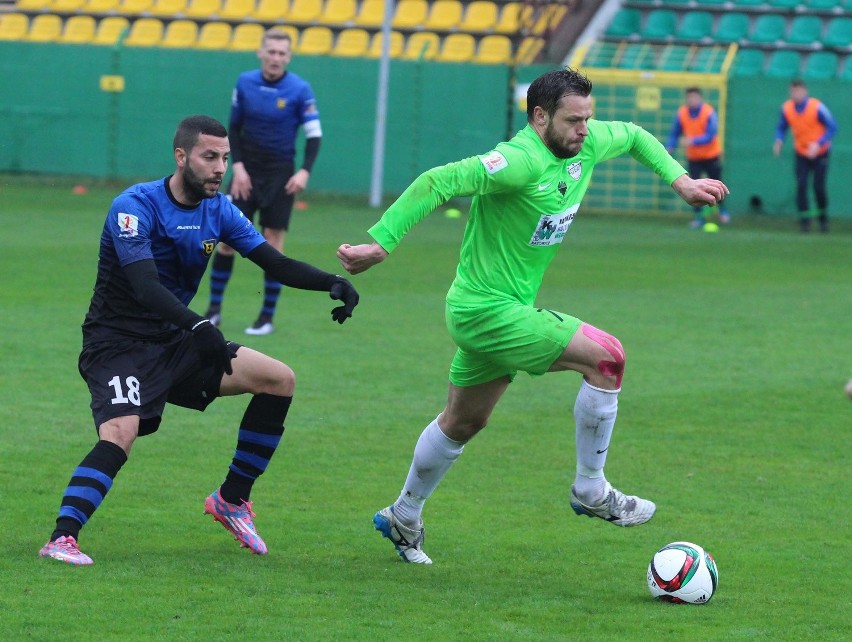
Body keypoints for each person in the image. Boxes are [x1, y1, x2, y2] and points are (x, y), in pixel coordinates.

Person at [338, 69, 728, 564]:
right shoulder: (518, 160)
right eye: (573, 119)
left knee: (463, 422)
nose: (584, 128)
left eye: (588, 117)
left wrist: (681, 181)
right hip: (484, 310)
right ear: (540, 117)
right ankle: (591, 489)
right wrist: (381, 244)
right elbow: (438, 181)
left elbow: (633, 135)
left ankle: (403, 515)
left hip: (500, 311)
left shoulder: (584, 143)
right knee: (607, 359)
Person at [38, 115, 358, 566]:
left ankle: (231, 499)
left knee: (278, 379)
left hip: (175, 341)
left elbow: (275, 261)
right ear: (181, 156)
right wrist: (199, 326)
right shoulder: (134, 206)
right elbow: (147, 286)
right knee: (121, 432)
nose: (219, 168)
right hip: (118, 344)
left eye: (225, 158)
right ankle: (62, 537)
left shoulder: (220, 210)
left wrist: (332, 283)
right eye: (210, 157)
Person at [205, 28, 323, 335]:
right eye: (271, 51)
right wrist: (238, 166)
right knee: (227, 242)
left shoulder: (300, 89)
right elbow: (234, 127)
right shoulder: (245, 83)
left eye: (282, 53)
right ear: (261, 53)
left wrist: (304, 171)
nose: (276, 58)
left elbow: (314, 135)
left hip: (281, 176)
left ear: (289, 57)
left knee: (274, 246)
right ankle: (214, 311)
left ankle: (266, 318)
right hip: (246, 173)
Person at [773, 79, 837, 233]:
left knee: (818, 188)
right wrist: (779, 140)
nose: (796, 94)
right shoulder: (787, 108)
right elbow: (781, 127)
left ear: (805, 91)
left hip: (820, 153)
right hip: (801, 153)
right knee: (801, 186)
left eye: (799, 91)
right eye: (793, 91)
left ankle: (823, 220)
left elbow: (833, 126)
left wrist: (819, 143)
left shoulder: (816, 107)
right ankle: (805, 222)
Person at [666, 87, 730, 228]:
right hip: (694, 158)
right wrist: (669, 147)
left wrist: (693, 141)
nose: (692, 100)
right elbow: (674, 133)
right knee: (693, 186)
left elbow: (710, 135)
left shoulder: (708, 112)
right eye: (689, 97)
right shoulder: (682, 113)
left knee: (717, 184)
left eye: (694, 97)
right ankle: (698, 217)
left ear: (700, 98)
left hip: (711, 155)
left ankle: (722, 210)